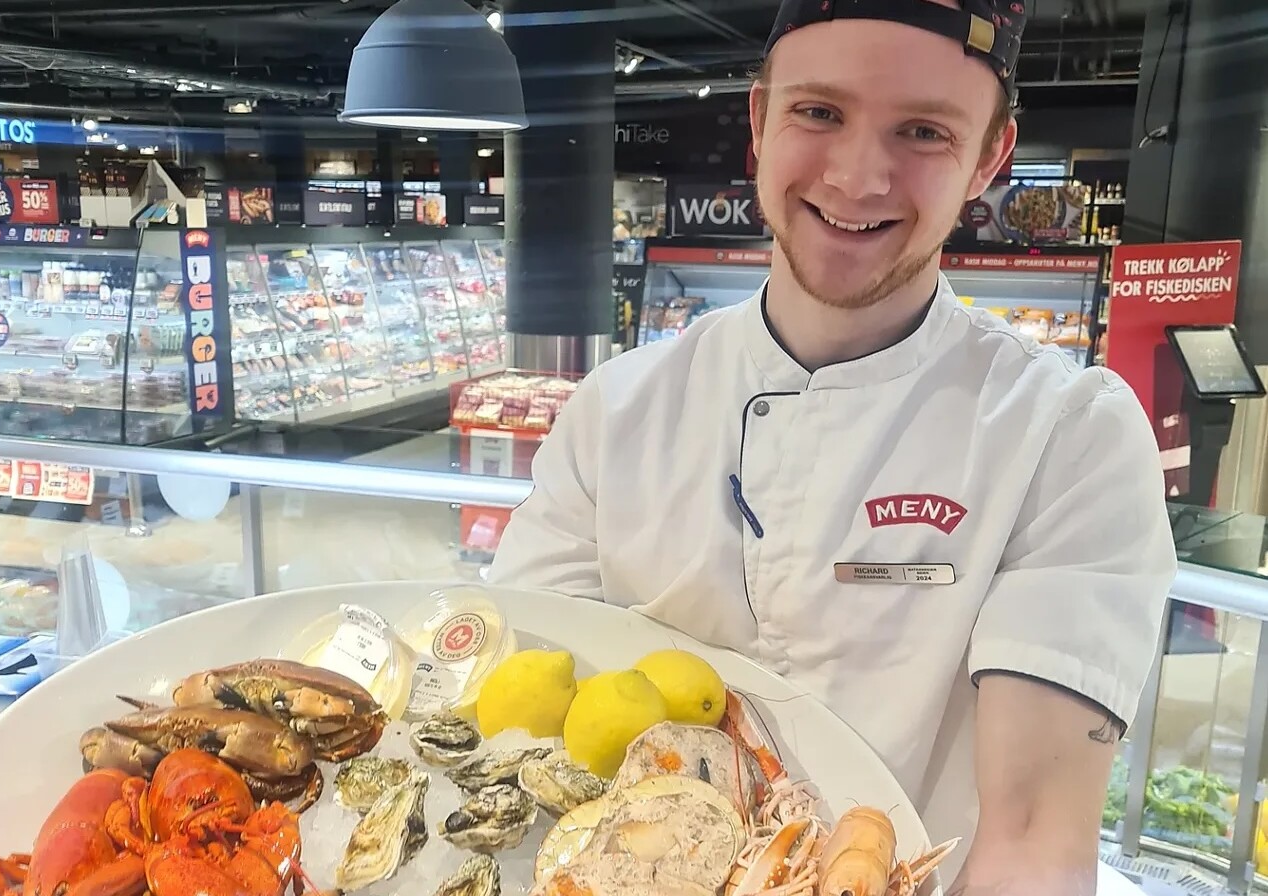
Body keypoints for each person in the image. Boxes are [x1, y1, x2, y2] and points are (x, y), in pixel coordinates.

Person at [489, 0, 1178, 892]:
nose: (858, 178)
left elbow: (1034, 844)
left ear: (989, 159)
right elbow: (520, 730)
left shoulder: (1068, 435)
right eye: (819, 112)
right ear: (759, 120)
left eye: (924, 130)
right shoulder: (614, 411)